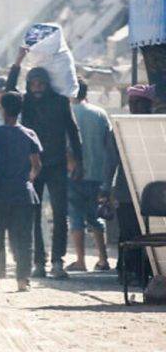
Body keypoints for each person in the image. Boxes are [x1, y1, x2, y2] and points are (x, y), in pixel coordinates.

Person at [6, 47, 83, 279]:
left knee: (60, 214)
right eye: (33, 84)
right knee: (33, 215)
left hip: (58, 164)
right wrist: (18, 61)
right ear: (29, 85)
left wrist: (79, 161)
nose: (37, 88)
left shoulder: (60, 102)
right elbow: (10, 91)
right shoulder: (25, 103)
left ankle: (57, 261)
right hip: (33, 166)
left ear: (47, 84)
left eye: (41, 83)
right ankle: (38, 262)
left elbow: (73, 131)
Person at [0, 92, 42, 292]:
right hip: (24, 195)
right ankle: (22, 280)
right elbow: (37, 165)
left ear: (2, 109)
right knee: (24, 238)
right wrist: (27, 180)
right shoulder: (29, 134)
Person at [102, 85, 153, 284]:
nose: (134, 107)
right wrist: (105, 189)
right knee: (129, 233)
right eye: (132, 103)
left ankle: (147, 271)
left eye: (139, 103)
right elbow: (110, 163)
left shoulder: (159, 127)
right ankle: (128, 270)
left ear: (149, 104)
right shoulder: (118, 129)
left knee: (148, 234)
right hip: (126, 192)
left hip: (154, 193)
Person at [64, 78, 112, 272]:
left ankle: (81, 260)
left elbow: (65, 146)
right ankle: (103, 259)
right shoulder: (100, 113)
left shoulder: (68, 113)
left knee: (75, 218)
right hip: (98, 175)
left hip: (73, 175)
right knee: (95, 218)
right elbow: (109, 147)